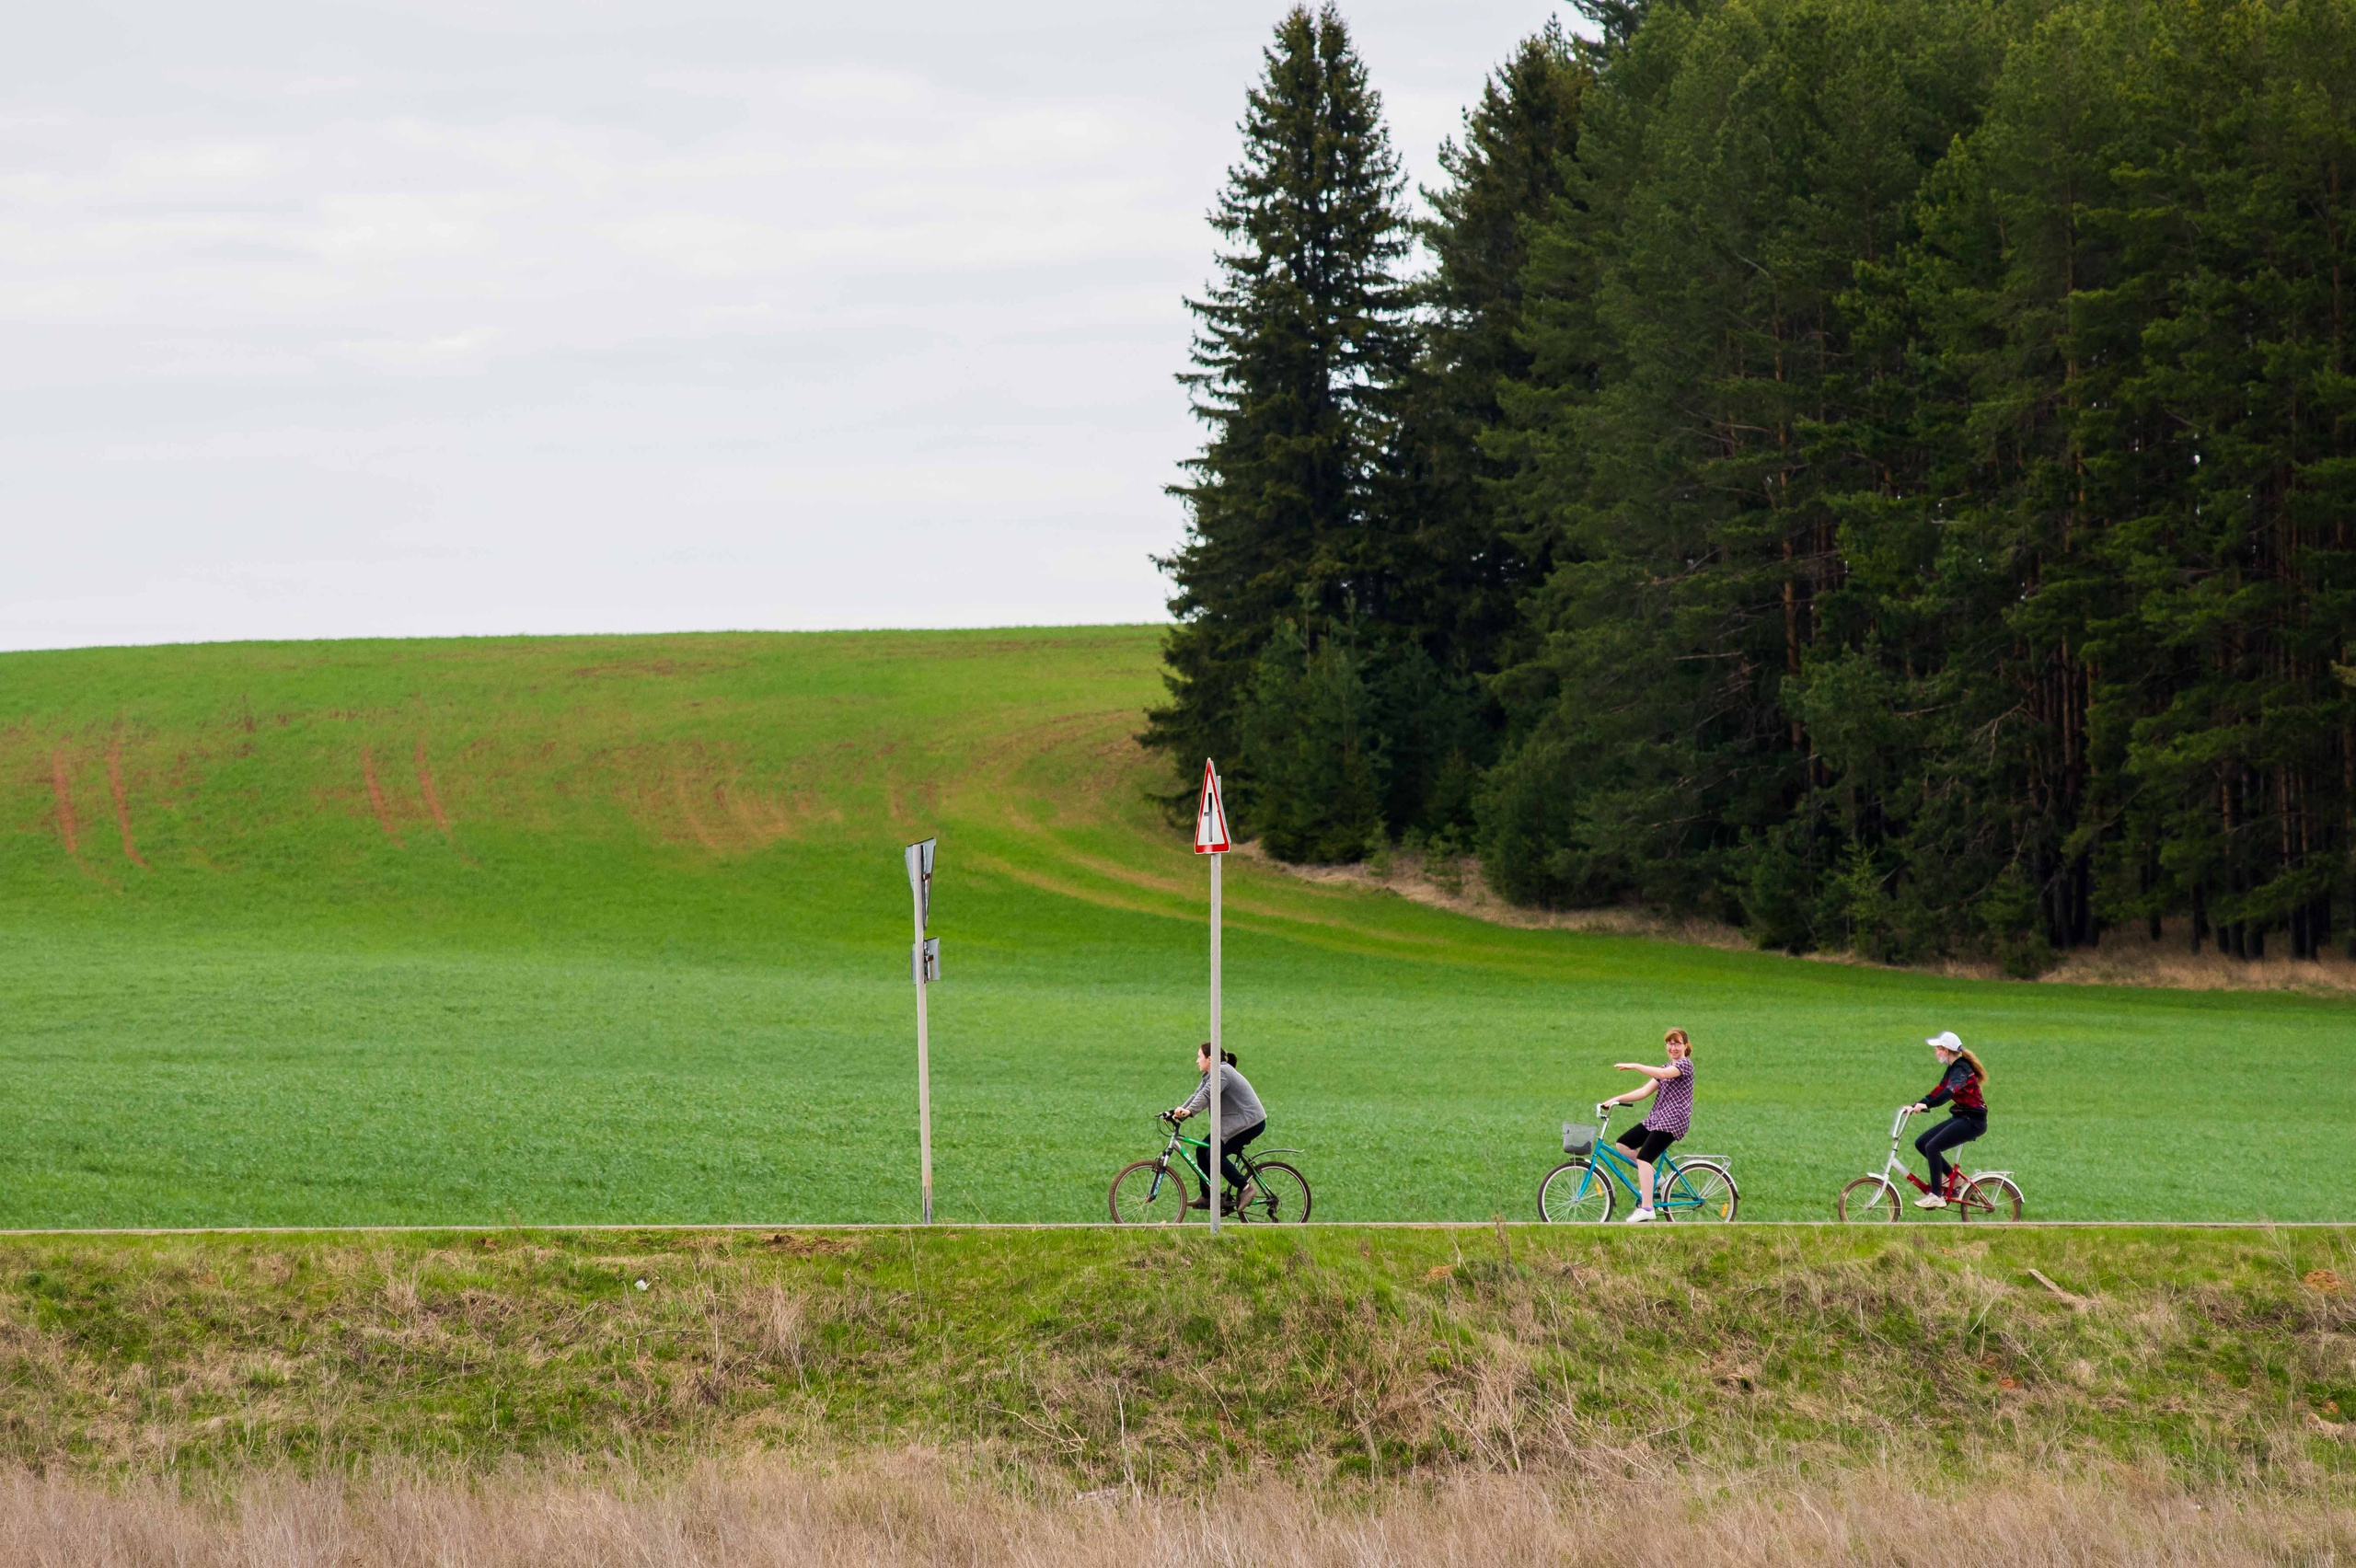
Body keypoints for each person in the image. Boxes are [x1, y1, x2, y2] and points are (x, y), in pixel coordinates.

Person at [1603, 1028, 1693, 1224]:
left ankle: (1647, 1208)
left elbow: (1663, 1074)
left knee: (1644, 1159)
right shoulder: (1667, 1066)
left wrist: (1636, 1065)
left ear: (1686, 1046)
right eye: (1669, 1043)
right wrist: (1615, 1100)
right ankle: (1656, 1178)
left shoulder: (1685, 1065)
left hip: (1673, 1120)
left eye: (1677, 1044)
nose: (1673, 1047)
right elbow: (1644, 1091)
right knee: (1623, 1144)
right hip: (1657, 1118)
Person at [1171, 1040, 1266, 1214]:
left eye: (1199, 1057)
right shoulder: (1211, 1074)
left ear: (1210, 1058)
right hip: (1236, 1123)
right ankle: (1208, 1196)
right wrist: (1176, 1113)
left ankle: (1246, 1188)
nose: (1197, 1061)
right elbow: (1198, 1094)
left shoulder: (1222, 1072)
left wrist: (1189, 1111)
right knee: (1202, 1150)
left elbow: (1208, 1095)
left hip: (1249, 1122)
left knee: (1214, 1154)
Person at [1909, 1030, 1988, 1208]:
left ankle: (1937, 1195)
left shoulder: (1961, 1069)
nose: (1935, 1052)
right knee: (1921, 1143)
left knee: (1932, 1147)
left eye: (1938, 1049)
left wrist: (1927, 1106)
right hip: (1962, 1116)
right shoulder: (1953, 1068)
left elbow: (1948, 1092)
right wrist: (1917, 1104)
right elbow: (1939, 1090)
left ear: (1946, 1050)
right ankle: (1955, 1179)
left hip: (1973, 1121)